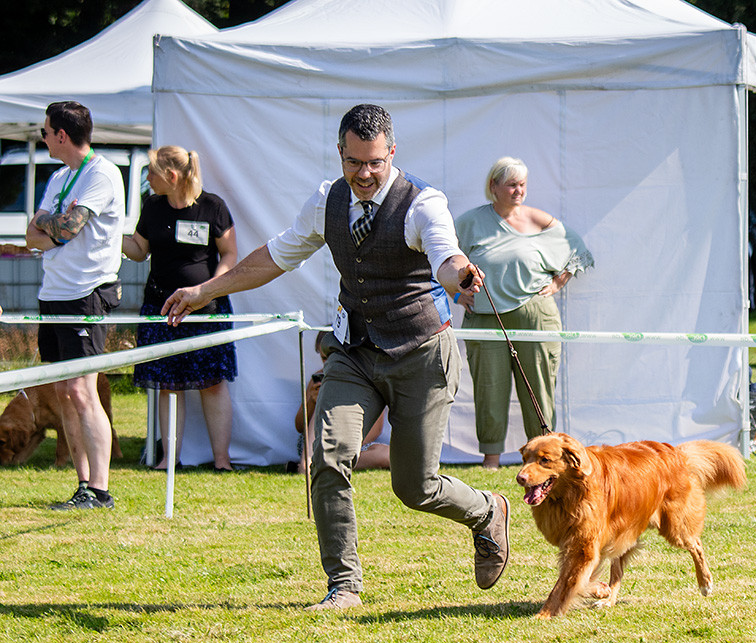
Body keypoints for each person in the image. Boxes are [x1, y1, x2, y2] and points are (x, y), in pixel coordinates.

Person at [162, 104, 510, 610]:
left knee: (416, 487)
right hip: (356, 352)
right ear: (340, 154)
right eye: (353, 162)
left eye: (374, 162)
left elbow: (446, 256)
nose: (364, 174)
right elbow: (274, 257)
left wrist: (460, 275)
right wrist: (205, 290)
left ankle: (486, 511)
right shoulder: (327, 200)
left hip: (421, 355)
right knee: (326, 456)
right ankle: (343, 585)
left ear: (392, 153)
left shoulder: (422, 204)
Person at [454, 157, 593, 470]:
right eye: (511, 184)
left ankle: (545, 459)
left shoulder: (538, 219)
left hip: (535, 317)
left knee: (539, 390)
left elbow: (576, 248)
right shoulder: (469, 222)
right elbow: (440, 257)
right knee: (489, 388)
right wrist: (455, 293)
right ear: (494, 186)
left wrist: (559, 281)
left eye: (522, 185)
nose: (518, 191)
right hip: (484, 316)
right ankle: (491, 459)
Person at [25, 101, 123, 510]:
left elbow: (67, 228)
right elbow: (34, 234)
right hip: (54, 294)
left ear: (62, 135)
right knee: (65, 392)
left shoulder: (102, 173)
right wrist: (55, 227)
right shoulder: (60, 176)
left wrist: (54, 226)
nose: (44, 138)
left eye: (46, 132)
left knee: (84, 391)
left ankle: (100, 489)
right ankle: (83, 484)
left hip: (87, 293)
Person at [122, 146, 238, 471]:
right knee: (167, 383)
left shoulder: (212, 207)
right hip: (161, 308)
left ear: (171, 176)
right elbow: (138, 249)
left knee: (213, 383)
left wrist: (208, 289)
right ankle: (168, 460)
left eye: (151, 173)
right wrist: (109, 236)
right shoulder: (153, 206)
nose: (147, 179)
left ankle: (222, 461)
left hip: (206, 309)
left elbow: (229, 255)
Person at [296, 330, 390, 472]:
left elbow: (376, 429)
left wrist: (348, 443)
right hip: (316, 441)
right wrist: (312, 401)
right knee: (324, 399)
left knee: (385, 455)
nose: (328, 363)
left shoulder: (365, 378)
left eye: (332, 357)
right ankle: (308, 463)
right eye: (324, 358)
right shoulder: (318, 377)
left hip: (352, 442)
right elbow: (299, 426)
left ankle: (328, 462)